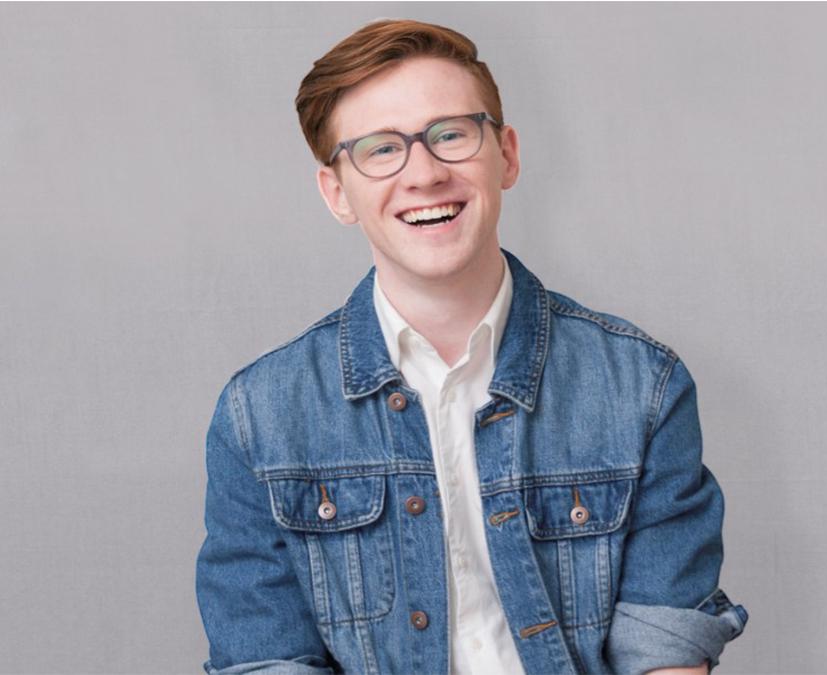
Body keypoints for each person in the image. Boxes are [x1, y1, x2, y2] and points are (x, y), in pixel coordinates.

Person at [196, 18, 748, 675]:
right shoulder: (257, 416)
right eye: (380, 149)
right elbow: (266, 659)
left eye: (450, 134)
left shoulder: (642, 387)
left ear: (506, 153)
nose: (424, 173)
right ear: (337, 192)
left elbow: (664, 656)